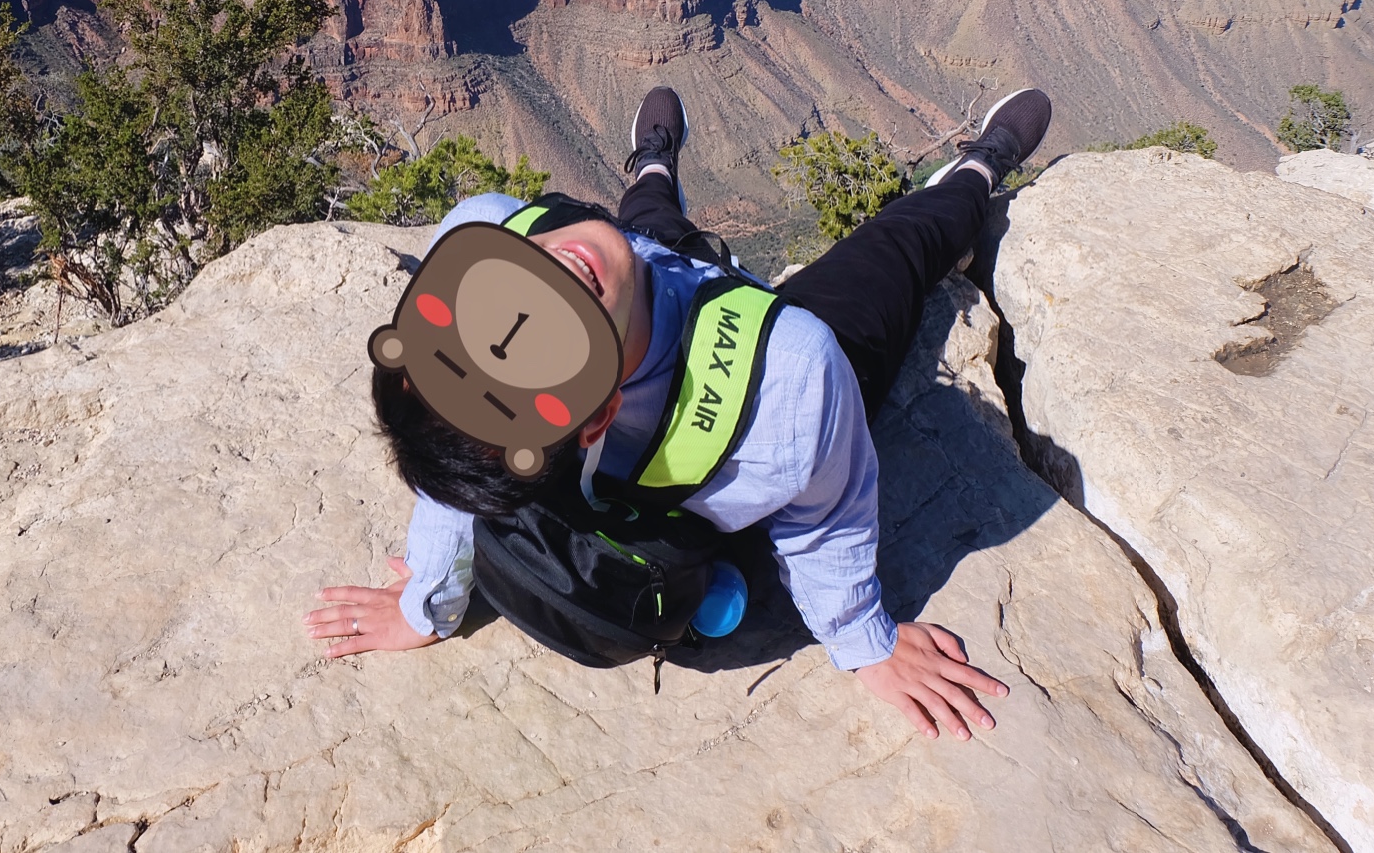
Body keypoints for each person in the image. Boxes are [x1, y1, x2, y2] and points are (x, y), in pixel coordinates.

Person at [305, 85, 1053, 741]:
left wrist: (427, 603)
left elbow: (449, 449)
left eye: (493, 289)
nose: (554, 266)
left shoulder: (488, 226)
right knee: (898, 251)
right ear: (593, 420)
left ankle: (653, 167)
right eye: (551, 333)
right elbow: (826, 511)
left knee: (643, 234)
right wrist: (864, 636)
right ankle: (977, 171)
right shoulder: (792, 377)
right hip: (748, 351)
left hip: (643, 282)